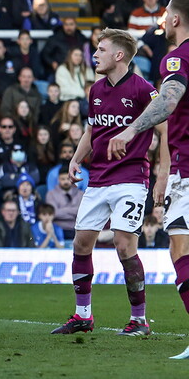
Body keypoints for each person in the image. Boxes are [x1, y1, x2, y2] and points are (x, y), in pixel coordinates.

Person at [52, 29, 162, 336]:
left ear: (119, 56)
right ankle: (82, 315)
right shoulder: (96, 89)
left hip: (130, 177)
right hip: (98, 178)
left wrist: (161, 173)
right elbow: (92, 130)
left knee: (123, 244)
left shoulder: (142, 89)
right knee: (81, 243)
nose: (95, 55)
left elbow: (163, 125)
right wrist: (75, 159)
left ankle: (139, 320)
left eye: (101, 50)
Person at [107, 0, 189, 358]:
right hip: (179, 167)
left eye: (165, 14)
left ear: (175, 18)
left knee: (181, 249)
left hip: (188, 171)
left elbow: (169, 102)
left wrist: (130, 129)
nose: (161, 20)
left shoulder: (176, 59)